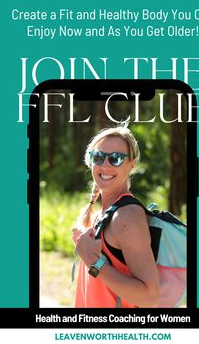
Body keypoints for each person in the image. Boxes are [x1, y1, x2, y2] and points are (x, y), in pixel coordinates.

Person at [72, 125, 159, 308]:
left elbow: (149, 297)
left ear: (132, 164)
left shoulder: (126, 216)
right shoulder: (103, 215)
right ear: (90, 160)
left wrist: (92, 261)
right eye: (98, 157)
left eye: (116, 159)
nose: (105, 165)